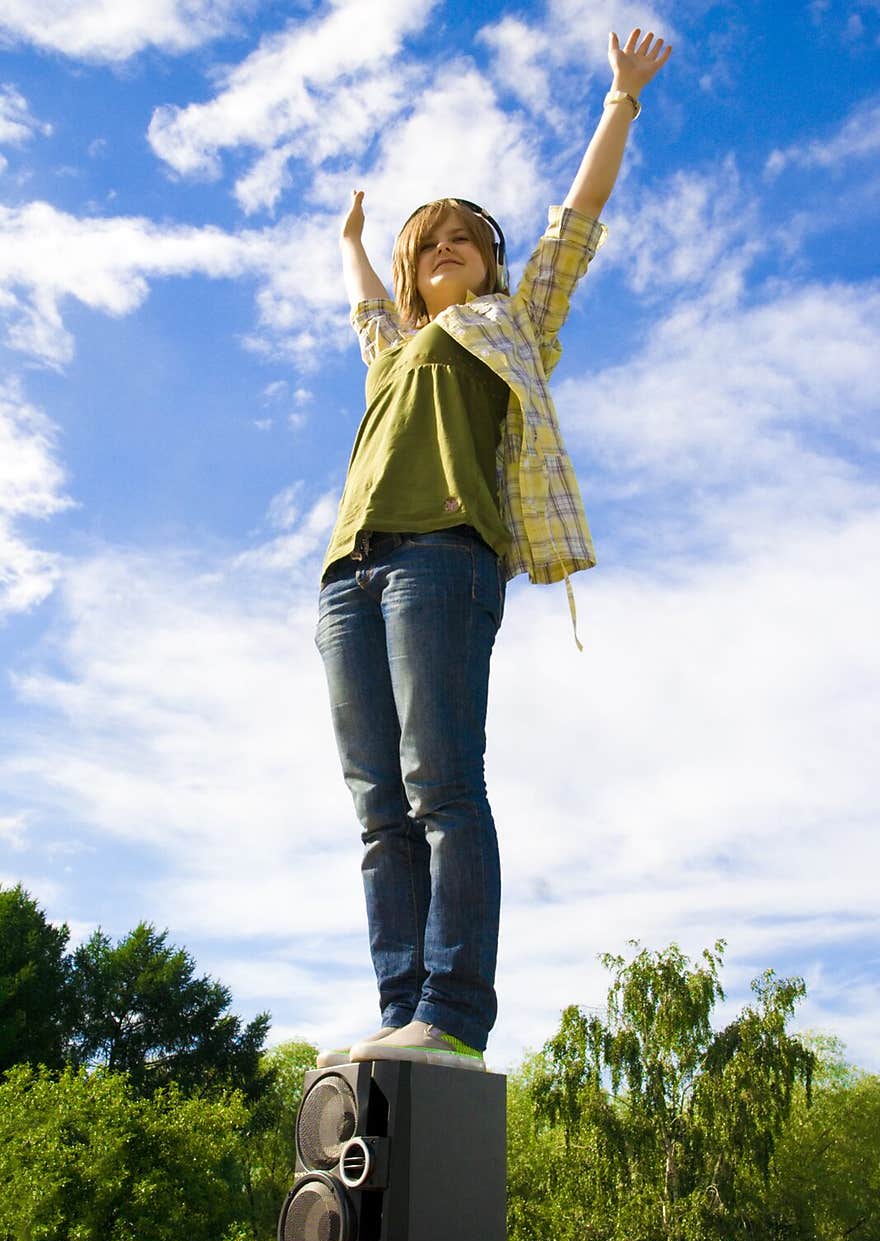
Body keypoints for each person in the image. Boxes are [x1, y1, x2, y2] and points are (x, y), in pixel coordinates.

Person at [314, 28, 672, 1072]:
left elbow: (577, 223)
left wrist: (618, 98)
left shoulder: (512, 324)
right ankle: (400, 1014)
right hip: (348, 574)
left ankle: (454, 1008)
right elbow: (364, 310)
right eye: (426, 246)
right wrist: (352, 242)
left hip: (442, 558)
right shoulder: (391, 353)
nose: (444, 252)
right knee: (377, 803)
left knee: (438, 781)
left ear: (489, 262)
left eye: (462, 239)